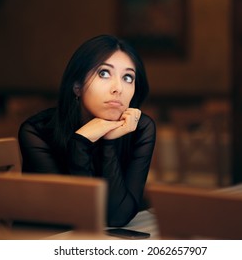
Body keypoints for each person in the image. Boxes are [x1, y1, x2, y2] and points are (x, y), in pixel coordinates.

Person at [18, 34, 156, 227]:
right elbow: (74, 212)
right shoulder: (36, 131)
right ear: (77, 86)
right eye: (104, 73)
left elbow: (118, 217)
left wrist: (108, 142)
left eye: (127, 77)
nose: (118, 88)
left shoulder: (140, 128)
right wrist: (81, 142)